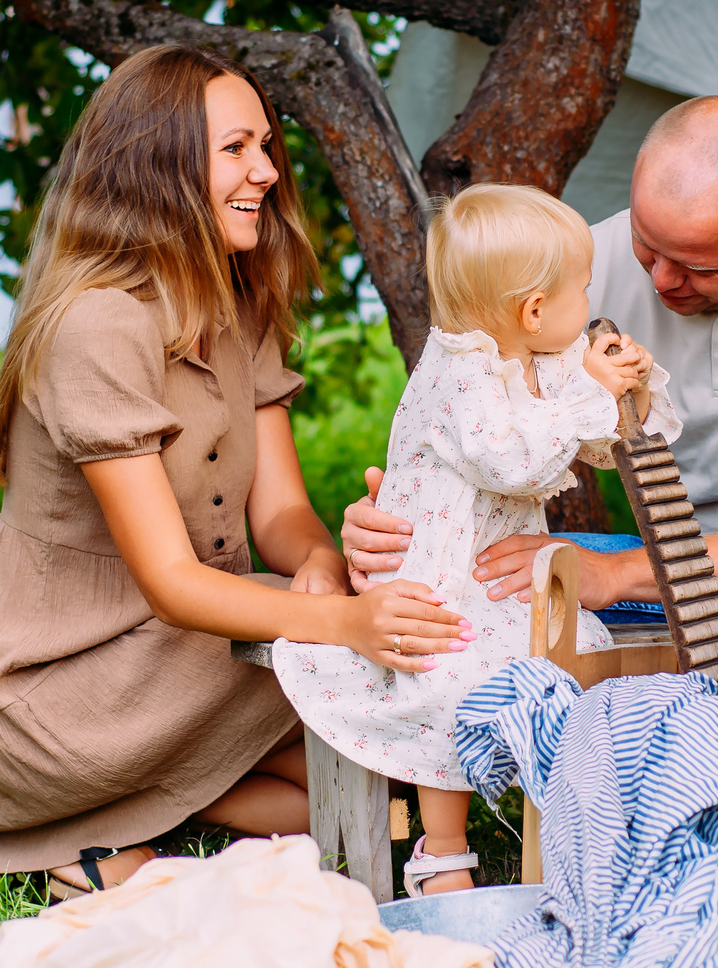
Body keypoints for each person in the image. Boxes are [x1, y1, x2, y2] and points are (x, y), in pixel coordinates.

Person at [0, 45, 469, 900]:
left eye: (267, 147)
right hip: (58, 687)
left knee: (386, 776)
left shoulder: (239, 300)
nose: (268, 172)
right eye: (237, 149)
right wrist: (347, 623)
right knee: (368, 751)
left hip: (187, 653)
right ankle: (99, 822)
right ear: (161, 165)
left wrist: (319, 568)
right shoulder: (97, 326)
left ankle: (151, 820)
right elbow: (173, 582)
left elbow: (280, 510)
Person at [342, 95, 718, 666]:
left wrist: (617, 576)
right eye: (645, 245)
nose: (659, 282)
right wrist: (405, 525)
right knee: (483, 577)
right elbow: (475, 406)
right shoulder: (582, 264)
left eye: (698, 267)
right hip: (675, 562)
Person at [273, 186, 671, 896]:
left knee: (578, 647)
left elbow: (603, 446)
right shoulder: (461, 373)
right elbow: (513, 460)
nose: (591, 301)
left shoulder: (538, 355)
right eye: (582, 290)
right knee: (452, 675)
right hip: (436, 578)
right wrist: (588, 390)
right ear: (534, 310)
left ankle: (566, 815)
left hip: (494, 575)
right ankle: (441, 849)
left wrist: (624, 390)